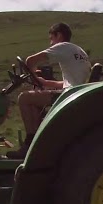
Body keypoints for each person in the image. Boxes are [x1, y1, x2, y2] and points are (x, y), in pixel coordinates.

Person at [9, 22, 92, 157]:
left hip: (68, 96)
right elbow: (70, 82)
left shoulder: (63, 47)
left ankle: (30, 146)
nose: (50, 43)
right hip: (75, 92)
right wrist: (45, 82)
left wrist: (33, 74)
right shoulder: (79, 51)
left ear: (58, 35)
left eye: (51, 38)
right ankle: (38, 142)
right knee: (34, 99)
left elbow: (30, 61)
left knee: (24, 98)